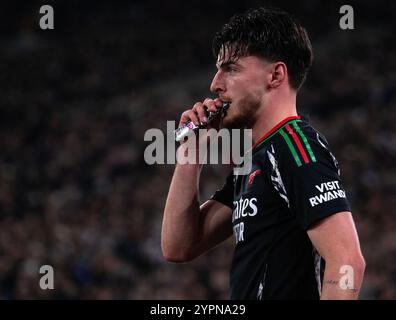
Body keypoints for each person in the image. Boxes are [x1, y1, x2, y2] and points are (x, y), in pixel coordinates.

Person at [161, 7, 365, 300]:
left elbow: (347, 261)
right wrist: (190, 158)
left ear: (275, 74)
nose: (215, 84)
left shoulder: (295, 147)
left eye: (231, 69)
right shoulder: (256, 160)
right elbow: (178, 246)